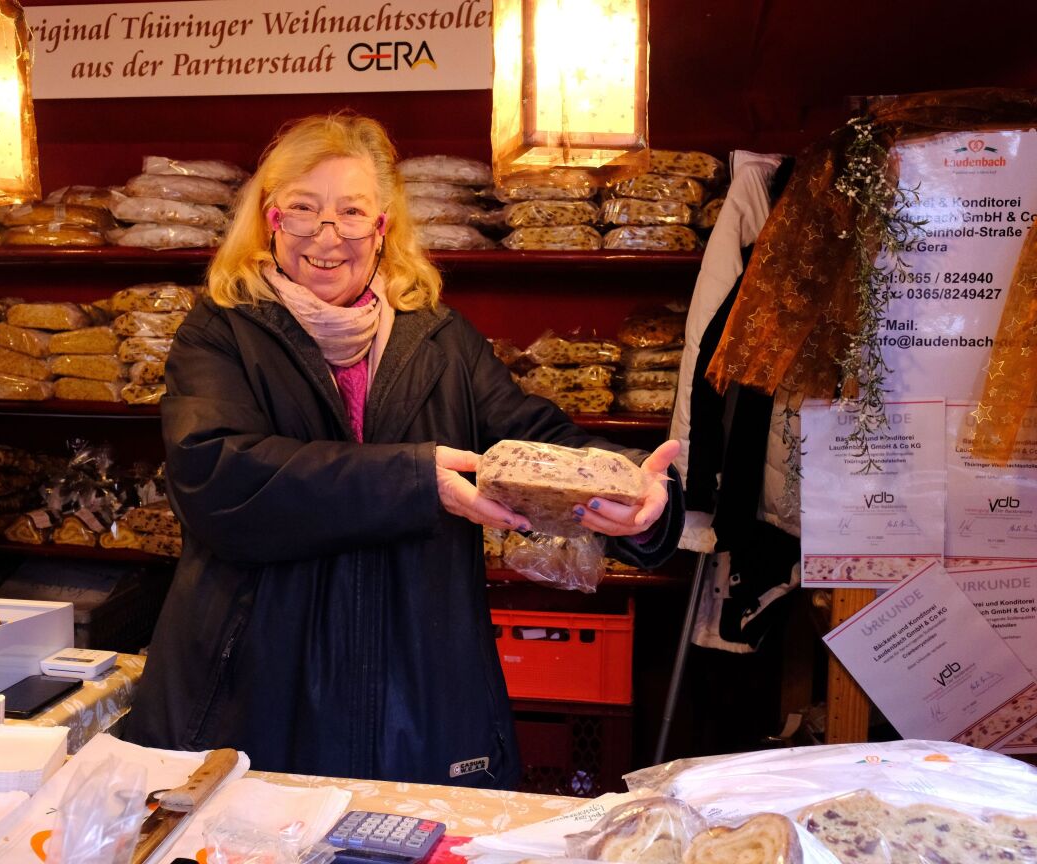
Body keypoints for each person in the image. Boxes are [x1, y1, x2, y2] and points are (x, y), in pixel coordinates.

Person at [124, 114, 683, 787]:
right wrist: (417, 481)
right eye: (304, 209)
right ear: (270, 219)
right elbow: (218, 478)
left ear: (383, 227)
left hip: (417, 691)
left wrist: (631, 491)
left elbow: (534, 435)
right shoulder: (220, 332)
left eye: (352, 212)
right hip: (258, 691)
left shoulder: (440, 340)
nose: (328, 237)